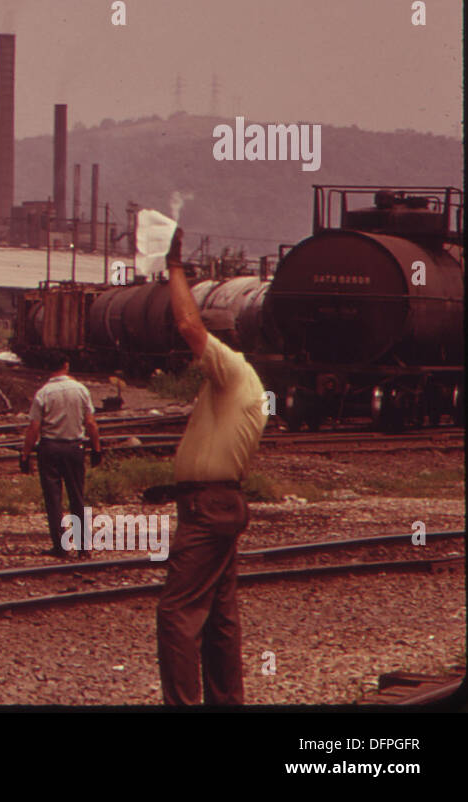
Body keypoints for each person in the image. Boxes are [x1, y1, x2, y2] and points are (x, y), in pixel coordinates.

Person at [156, 226, 268, 705]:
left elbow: (188, 326)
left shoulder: (231, 370)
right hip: (218, 504)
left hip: (209, 510)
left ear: (220, 342)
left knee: (177, 613)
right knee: (220, 617)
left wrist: (175, 268)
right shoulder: (234, 385)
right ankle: (228, 703)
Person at [19, 351, 102, 557]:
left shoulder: (43, 393)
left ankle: (61, 547)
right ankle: (84, 548)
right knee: (77, 497)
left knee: (53, 499)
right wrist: (97, 449)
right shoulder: (81, 390)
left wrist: (25, 454)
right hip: (75, 448)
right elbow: (91, 423)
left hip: (50, 449)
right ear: (66, 365)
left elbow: (33, 428)